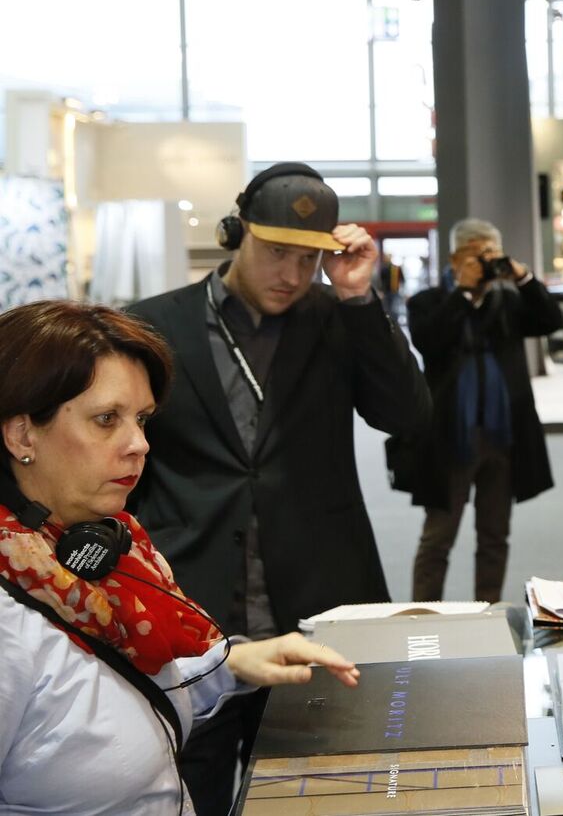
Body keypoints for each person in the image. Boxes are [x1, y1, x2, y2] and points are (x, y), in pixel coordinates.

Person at [127, 162, 431, 815]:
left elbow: (407, 416)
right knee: (191, 794)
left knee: (324, 797)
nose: (291, 275)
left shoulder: (337, 316)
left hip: (318, 609)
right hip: (195, 619)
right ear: (236, 233)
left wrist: (356, 296)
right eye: (275, 253)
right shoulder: (152, 329)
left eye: (307, 258)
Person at [0, 300, 361, 816]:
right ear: (21, 435)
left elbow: (116, 692)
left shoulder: (103, 552)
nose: (139, 444)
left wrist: (234, 663)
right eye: (106, 420)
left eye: (142, 419)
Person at [404, 217, 563, 602]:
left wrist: (521, 276)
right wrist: (461, 293)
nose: (482, 262)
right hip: (450, 437)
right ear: (454, 256)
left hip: (503, 436)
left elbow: (550, 320)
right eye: (474, 254)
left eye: (489, 254)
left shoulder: (507, 300)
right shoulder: (427, 301)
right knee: (438, 537)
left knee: (494, 535)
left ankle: (487, 612)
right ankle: (425, 614)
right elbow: (429, 341)